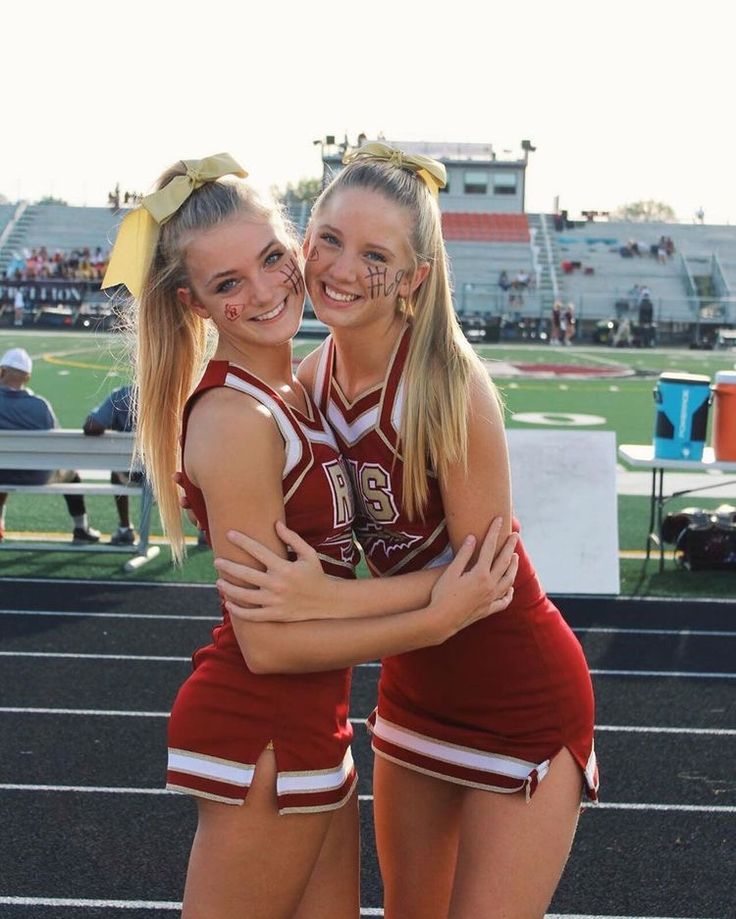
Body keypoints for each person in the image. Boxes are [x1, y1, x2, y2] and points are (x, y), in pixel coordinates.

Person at [102, 153, 518, 919]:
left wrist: (362, 593)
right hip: (256, 729)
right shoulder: (235, 418)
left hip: (312, 729)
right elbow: (267, 643)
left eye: (269, 258)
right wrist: (436, 609)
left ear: (295, 247)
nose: (262, 290)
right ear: (194, 303)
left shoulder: (299, 387)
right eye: (227, 284)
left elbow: (319, 592)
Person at [215, 143, 599, 919]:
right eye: (328, 238)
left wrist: (323, 598)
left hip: (518, 696)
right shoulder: (311, 381)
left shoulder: (448, 388)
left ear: (416, 278)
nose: (342, 268)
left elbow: (484, 582)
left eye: (375, 254)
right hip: (416, 689)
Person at [0, 347, 101, 544]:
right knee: (72, 474)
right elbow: (58, 443)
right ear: (27, 377)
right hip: (37, 476)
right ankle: (81, 528)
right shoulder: (40, 406)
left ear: (2, 371)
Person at [83, 384, 139, 545]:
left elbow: (92, 426)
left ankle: (125, 527)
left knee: (118, 471)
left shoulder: (122, 396)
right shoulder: (176, 390)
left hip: (132, 474)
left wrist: (96, 414)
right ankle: (202, 528)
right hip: (169, 473)